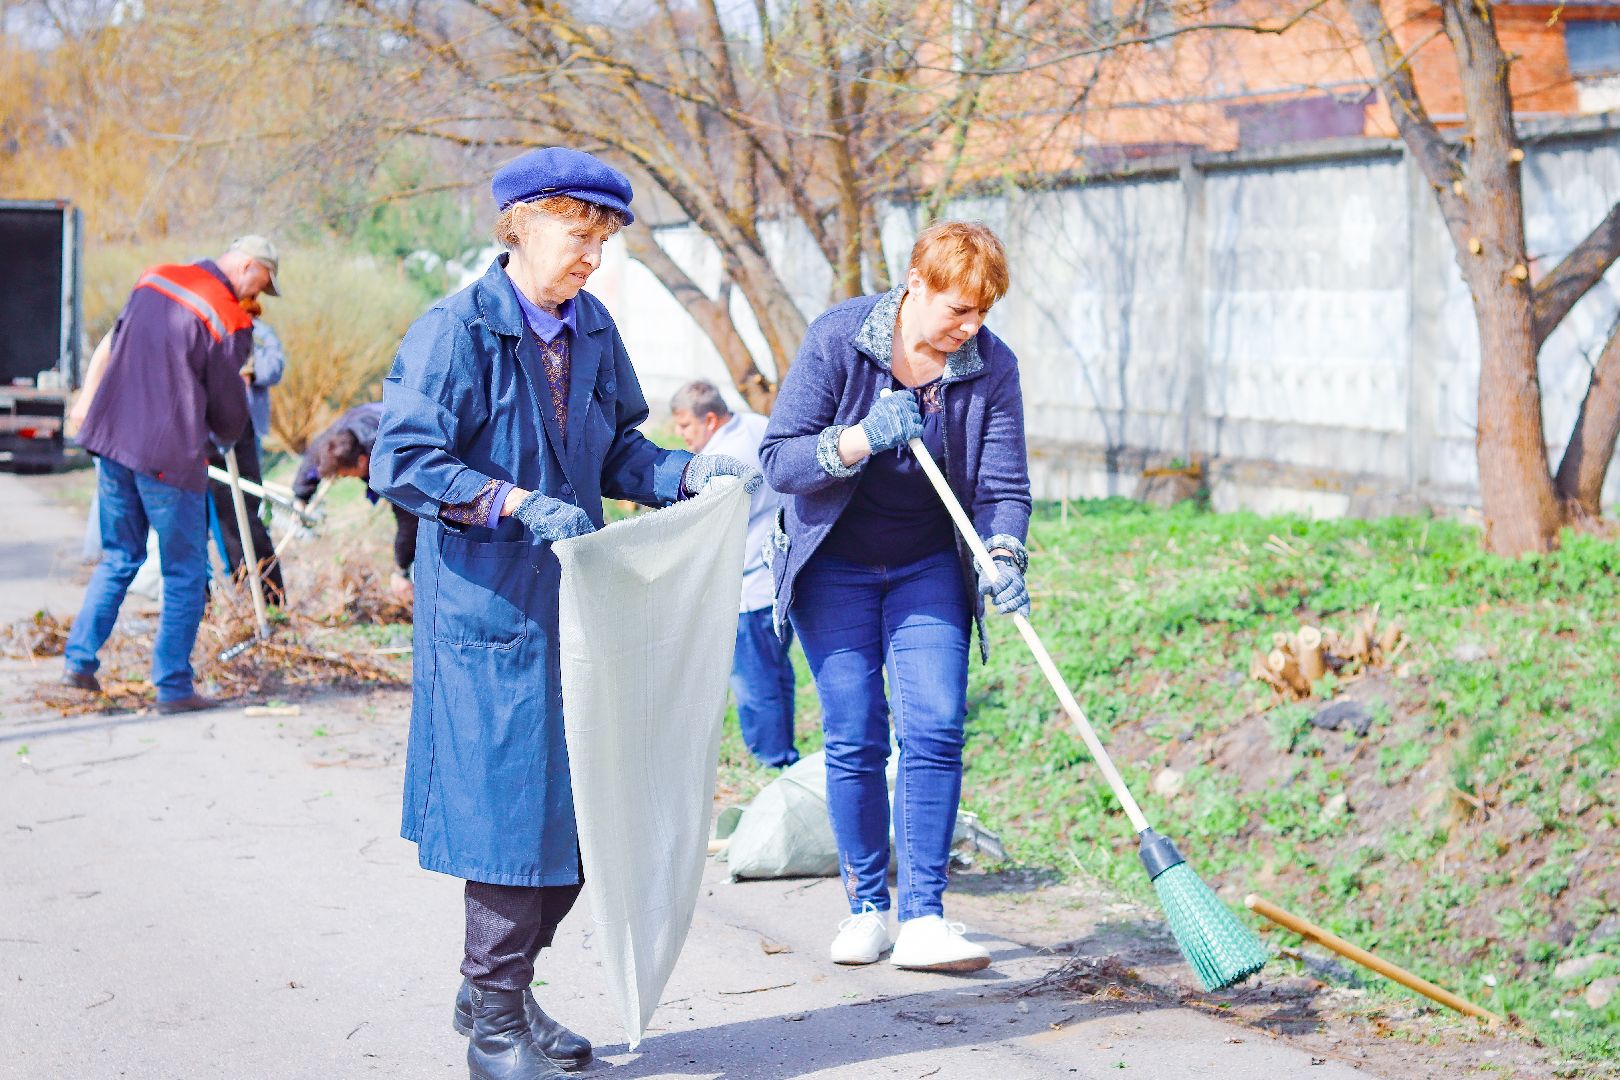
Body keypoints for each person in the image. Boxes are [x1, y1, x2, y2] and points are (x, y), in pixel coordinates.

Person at [369, 146, 760, 1080]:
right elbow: (403, 460)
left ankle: (500, 992)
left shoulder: (590, 330)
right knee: (512, 825)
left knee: (589, 821)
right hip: (490, 614)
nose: (592, 257)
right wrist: (506, 500)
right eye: (579, 236)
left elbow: (619, 449)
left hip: (581, 610)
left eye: (603, 241)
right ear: (523, 225)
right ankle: (494, 1026)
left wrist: (681, 473)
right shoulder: (454, 331)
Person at [759, 221, 1031, 974]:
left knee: (937, 726)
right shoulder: (839, 338)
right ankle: (867, 909)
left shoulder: (987, 366)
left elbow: (1004, 487)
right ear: (915, 284)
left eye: (982, 312)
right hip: (833, 565)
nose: (969, 329)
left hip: (926, 566)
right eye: (957, 311)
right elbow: (780, 460)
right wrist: (861, 438)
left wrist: (1004, 554)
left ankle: (924, 917)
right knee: (854, 734)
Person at [62, 235, 280, 713]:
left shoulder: (154, 278)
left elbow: (112, 347)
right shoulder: (228, 318)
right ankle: (174, 687)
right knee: (185, 571)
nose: (257, 298)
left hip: (113, 440)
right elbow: (227, 412)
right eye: (261, 285)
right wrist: (227, 427)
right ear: (247, 266)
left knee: (119, 557)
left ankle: (78, 663)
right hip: (168, 455)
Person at [670, 380, 799, 768]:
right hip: (779, 575)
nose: (681, 436)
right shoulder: (758, 425)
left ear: (709, 419)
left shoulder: (724, 461)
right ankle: (783, 755)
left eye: (685, 426)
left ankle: (773, 761)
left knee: (754, 683)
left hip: (746, 586)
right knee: (776, 674)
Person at [205, 267, 289, 605]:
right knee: (216, 514)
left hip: (244, 430)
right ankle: (222, 591)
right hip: (210, 431)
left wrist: (248, 370)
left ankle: (263, 594)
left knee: (244, 509)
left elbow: (274, 368)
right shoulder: (212, 328)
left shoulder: (261, 334)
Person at [292, 402, 418, 604]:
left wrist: (401, 569)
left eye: (346, 475)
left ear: (361, 462)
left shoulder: (389, 458)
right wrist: (300, 497)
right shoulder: (340, 435)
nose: (346, 479)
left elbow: (409, 518)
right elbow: (315, 454)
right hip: (367, 417)